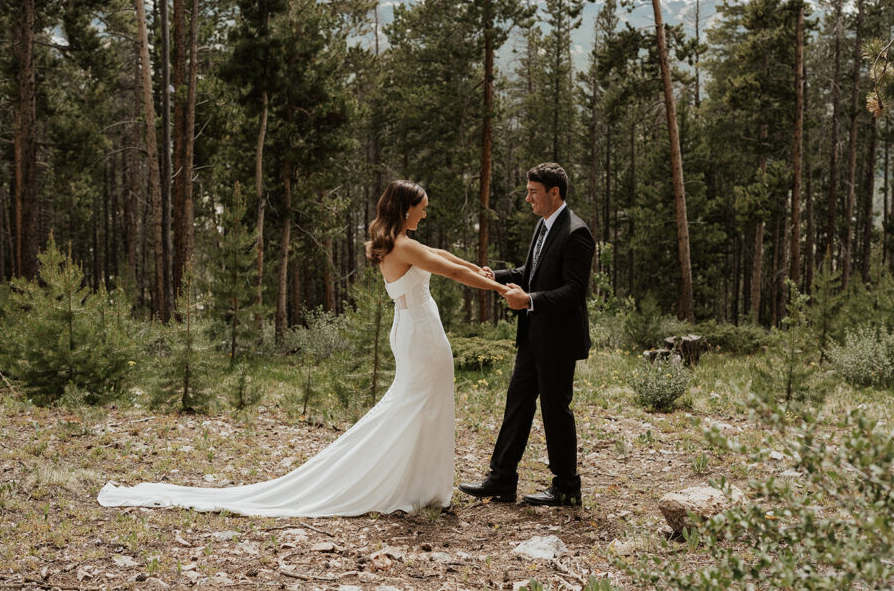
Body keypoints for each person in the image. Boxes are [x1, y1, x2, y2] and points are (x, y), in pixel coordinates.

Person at [98, 180, 508, 518]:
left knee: (418, 405)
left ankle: (420, 484)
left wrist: (483, 270)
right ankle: (417, 487)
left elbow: (446, 257)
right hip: (420, 334)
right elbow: (449, 269)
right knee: (421, 405)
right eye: (422, 207)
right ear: (405, 209)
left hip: (412, 331)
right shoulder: (403, 246)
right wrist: (499, 288)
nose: (425, 212)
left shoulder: (397, 242)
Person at [459, 163, 594, 506]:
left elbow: (574, 292)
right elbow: (530, 272)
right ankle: (502, 479)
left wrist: (529, 300)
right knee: (517, 407)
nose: (527, 198)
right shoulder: (544, 225)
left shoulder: (577, 232)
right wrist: (497, 275)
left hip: (559, 341)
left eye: (533, 192)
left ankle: (567, 487)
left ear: (554, 193)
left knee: (555, 410)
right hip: (532, 338)